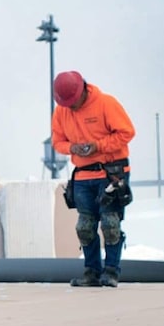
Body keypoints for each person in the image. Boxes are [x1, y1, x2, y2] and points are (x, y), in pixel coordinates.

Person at [51, 70, 135, 288]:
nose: (71, 107)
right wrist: (72, 148)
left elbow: (126, 132)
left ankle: (112, 272)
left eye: (72, 102)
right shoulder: (61, 111)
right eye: (66, 103)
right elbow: (57, 141)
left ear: (83, 91)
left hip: (111, 174)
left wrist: (98, 146)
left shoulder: (106, 103)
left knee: (110, 223)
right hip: (83, 176)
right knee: (84, 227)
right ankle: (92, 272)